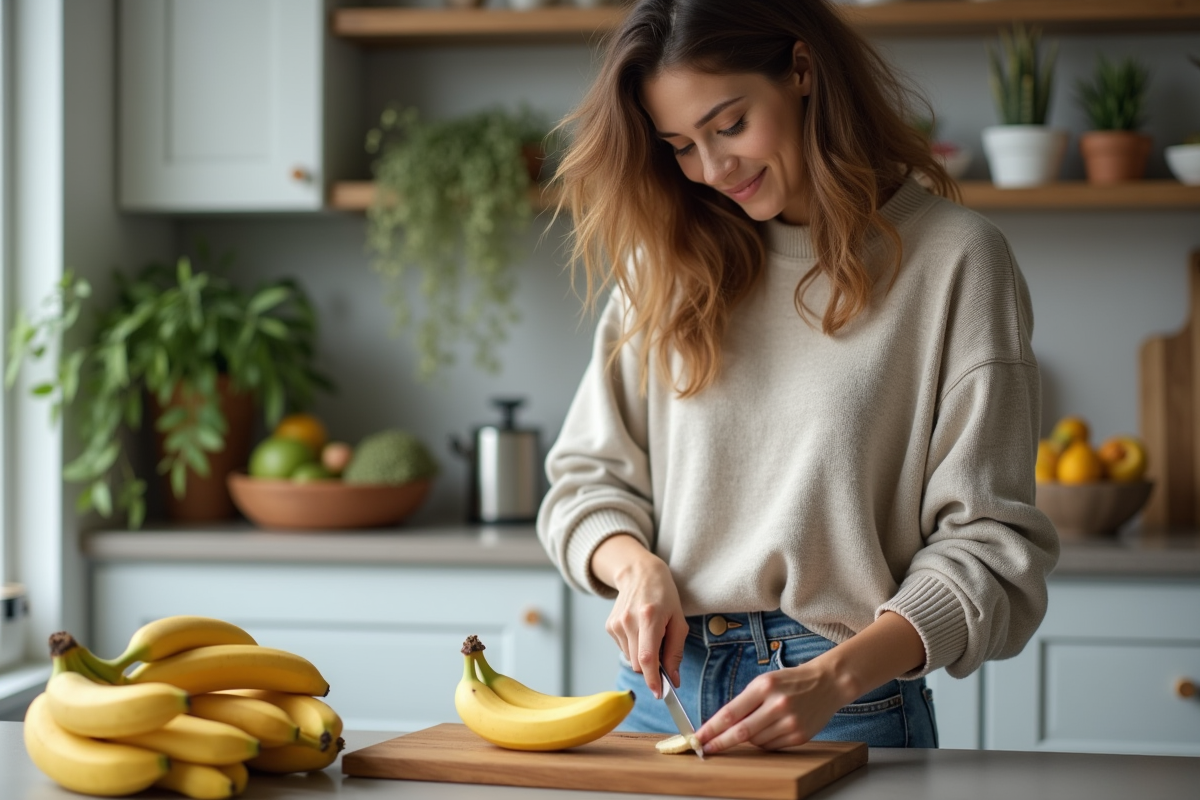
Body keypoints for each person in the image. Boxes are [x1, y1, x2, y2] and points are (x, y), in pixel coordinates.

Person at [537, 0, 1059, 754]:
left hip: (847, 704)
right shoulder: (668, 261)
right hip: (662, 698)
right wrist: (636, 569)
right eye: (680, 145)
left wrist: (837, 678)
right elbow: (586, 482)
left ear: (802, 69)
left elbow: (991, 547)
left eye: (729, 125)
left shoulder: (958, 261)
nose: (712, 170)